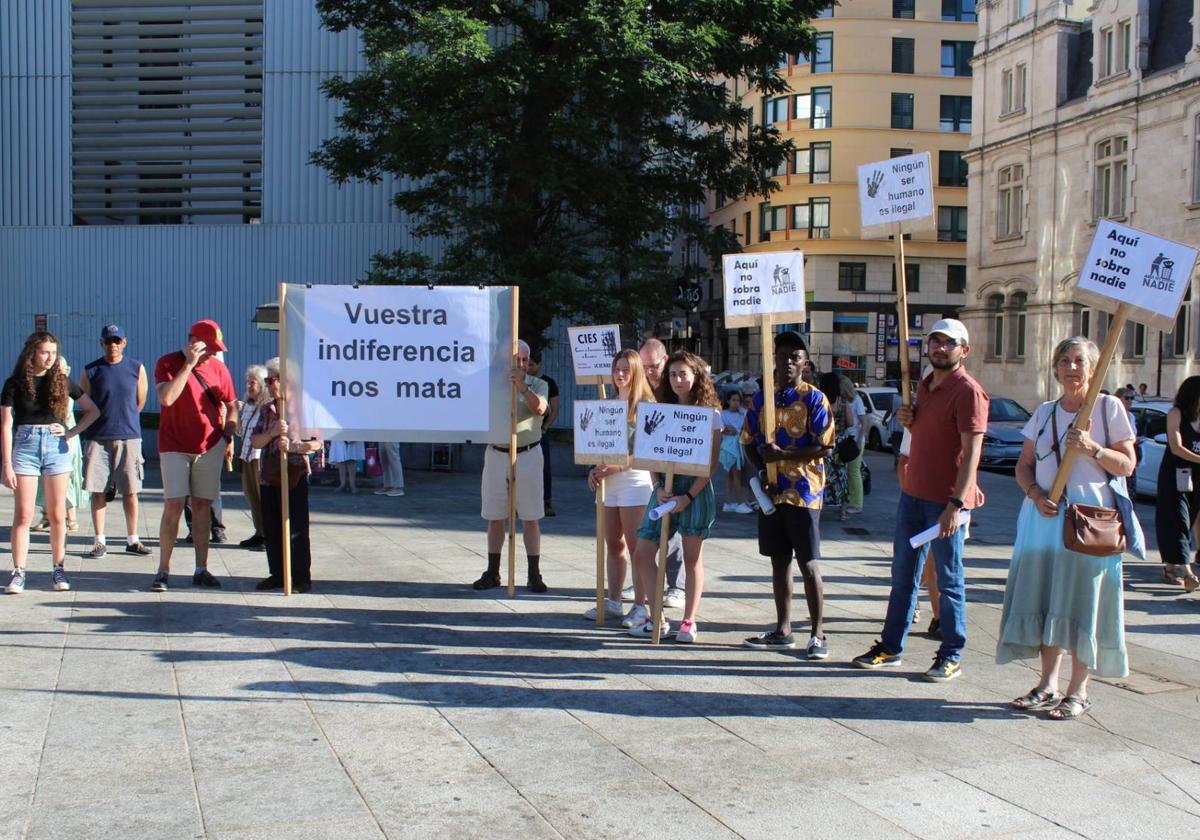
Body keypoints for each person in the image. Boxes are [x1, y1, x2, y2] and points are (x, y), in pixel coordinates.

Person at [998, 337, 1138, 719]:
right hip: (1043, 521)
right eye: (1064, 360)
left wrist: (1092, 447)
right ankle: (1047, 684)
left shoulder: (1109, 408)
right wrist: (1034, 492)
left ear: (1093, 368)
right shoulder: (1044, 412)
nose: (1072, 367)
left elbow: (1127, 465)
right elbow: (1023, 464)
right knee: (1046, 600)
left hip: (1090, 526)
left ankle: (1078, 691)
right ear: (1055, 368)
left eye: (1079, 361)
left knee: (1083, 605)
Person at [852, 319, 987, 682]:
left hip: (946, 503)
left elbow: (973, 454)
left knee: (949, 580)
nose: (940, 348)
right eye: (935, 342)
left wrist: (956, 506)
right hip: (914, 496)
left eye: (949, 343)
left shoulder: (968, 391)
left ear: (964, 350)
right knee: (903, 577)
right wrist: (909, 419)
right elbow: (927, 435)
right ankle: (892, 646)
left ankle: (951, 653)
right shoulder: (924, 386)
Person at [741, 332, 835, 658]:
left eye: (796, 357)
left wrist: (782, 456)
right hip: (773, 492)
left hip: (804, 493)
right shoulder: (762, 399)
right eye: (783, 356)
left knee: (809, 563)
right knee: (779, 562)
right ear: (774, 360)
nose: (788, 362)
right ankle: (783, 629)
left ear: (805, 363)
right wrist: (761, 473)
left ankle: (818, 633)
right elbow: (748, 441)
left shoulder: (814, 399)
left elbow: (823, 445)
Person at [626, 351, 722, 643]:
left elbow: (710, 465)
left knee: (692, 559)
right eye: (673, 374)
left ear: (696, 376)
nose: (678, 379)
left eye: (683, 373)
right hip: (664, 488)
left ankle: (689, 621)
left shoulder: (711, 414)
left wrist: (687, 497)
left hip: (695, 489)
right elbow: (649, 456)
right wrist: (658, 488)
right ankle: (657, 618)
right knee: (643, 552)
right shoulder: (659, 410)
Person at [2, 332, 100, 594]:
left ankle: (58, 569)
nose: (49, 357)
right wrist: (6, 464)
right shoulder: (14, 383)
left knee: (58, 514)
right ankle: (18, 572)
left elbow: (92, 410)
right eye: (45, 352)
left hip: (56, 448)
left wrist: (70, 432)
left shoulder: (61, 381)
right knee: (23, 514)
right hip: (25, 446)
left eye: (53, 353)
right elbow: (6, 424)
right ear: (32, 352)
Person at [151, 319, 238, 592]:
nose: (213, 353)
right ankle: (163, 570)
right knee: (174, 505)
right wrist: (188, 365)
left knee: (203, 506)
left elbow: (232, 404)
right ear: (192, 342)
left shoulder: (220, 369)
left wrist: (229, 433)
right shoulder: (167, 363)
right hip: (174, 444)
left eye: (215, 349)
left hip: (210, 445)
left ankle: (201, 568)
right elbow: (166, 399)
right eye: (208, 348)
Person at [472, 339, 550, 592]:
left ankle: (533, 573)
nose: (523, 364)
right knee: (495, 515)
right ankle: (493, 571)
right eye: (517, 359)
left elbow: (540, 409)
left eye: (526, 359)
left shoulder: (539, 384)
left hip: (527, 453)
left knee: (530, 516)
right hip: (497, 453)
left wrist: (522, 387)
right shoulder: (491, 383)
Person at [584, 349, 656, 620]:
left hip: (635, 482)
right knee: (613, 545)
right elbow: (597, 445)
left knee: (638, 547)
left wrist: (617, 465)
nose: (620, 374)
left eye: (626, 369)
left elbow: (648, 450)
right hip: (609, 484)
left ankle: (641, 605)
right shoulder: (607, 403)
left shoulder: (648, 405)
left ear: (637, 371)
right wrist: (593, 470)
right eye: (617, 369)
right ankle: (613, 601)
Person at [79, 325, 150, 558]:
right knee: (97, 490)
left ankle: (133, 539)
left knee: (130, 490)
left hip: (129, 436)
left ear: (124, 342)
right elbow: (85, 402)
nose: (113, 345)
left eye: (117, 341)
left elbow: (139, 402)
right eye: (108, 341)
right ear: (101, 343)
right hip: (98, 438)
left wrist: (125, 421)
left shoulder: (136, 368)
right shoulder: (90, 371)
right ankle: (99, 540)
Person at [252, 358, 322, 592]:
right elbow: (255, 441)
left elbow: (317, 443)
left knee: (297, 528)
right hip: (269, 475)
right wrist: (272, 433)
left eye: (272, 380)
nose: (269, 384)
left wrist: (295, 447)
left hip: (294, 475)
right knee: (271, 528)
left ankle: (301, 576)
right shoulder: (267, 409)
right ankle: (278, 573)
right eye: (267, 380)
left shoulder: (304, 408)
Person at [639, 338, 686, 609]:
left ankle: (676, 585)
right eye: (643, 366)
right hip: (651, 466)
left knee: (675, 529)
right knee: (649, 529)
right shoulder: (644, 387)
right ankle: (646, 578)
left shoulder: (675, 387)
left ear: (664, 360)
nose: (648, 371)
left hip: (678, 466)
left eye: (653, 366)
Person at [1154, 376, 1200, 591]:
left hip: (1196, 477)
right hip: (1175, 475)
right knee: (1179, 520)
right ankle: (1187, 571)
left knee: (1187, 521)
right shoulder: (1176, 414)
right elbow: (1175, 447)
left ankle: (1171, 566)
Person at [235, 364, 269, 550]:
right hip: (247, 456)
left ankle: (268, 534)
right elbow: (241, 432)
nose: (249, 386)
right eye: (248, 382)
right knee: (251, 496)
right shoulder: (247, 405)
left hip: (259, 457)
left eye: (253, 382)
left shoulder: (267, 406)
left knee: (263, 496)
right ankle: (259, 532)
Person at [528, 351, 560, 517]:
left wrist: (545, 427)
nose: (527, 367)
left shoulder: (548, 383)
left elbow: (554, 409)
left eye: (531, 364)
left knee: (544, 468)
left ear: (539, 364)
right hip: (523, 431)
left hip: (540, 431)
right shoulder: (520, 380)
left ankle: (546, 502)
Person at [818, 372, 849, 517]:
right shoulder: (842, 402)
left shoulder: (820, 401)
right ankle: (843, 510)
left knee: (822, 474)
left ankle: (819, 506)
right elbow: (852, 422)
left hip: (825, 442)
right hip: (841, 443)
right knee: (841, 475)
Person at [719, 390, 753, 514]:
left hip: (739, 446)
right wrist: (728, 430)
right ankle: (739, 502)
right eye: (733, 400)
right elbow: (723, 429)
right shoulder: (723, 414)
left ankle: (728, 502)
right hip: (729, 448)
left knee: (733, 476)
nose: (736, 403)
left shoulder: (743, 413)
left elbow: (745, 428)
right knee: (734, 475)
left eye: (738, 400)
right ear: (728, 401)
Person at [838, 376, 866, 517]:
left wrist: (860, 440)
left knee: (854, 472)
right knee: (848, 472)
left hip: (855, 441)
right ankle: (852, 500)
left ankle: (857, 504)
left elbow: (863, 422)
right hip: (848, 439)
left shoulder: (856, 400)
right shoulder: (846, 401)